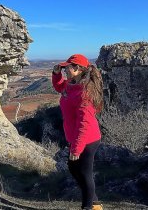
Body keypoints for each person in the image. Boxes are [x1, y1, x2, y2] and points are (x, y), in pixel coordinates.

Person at [51, 54, 104, 210]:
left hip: (87, 140)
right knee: (74, 169)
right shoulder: (71, 83)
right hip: (75, 137)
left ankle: (88, 207)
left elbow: (84, 124)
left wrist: (77, 148)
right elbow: (59, 87)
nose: (65, 69)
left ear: (78, 69)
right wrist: (56, 74)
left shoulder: (85, 93)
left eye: (67, 67)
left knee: (85, 173)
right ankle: (95, 203)